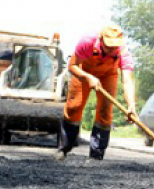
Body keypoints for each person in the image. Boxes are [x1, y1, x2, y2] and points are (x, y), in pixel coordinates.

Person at [55, 24, 137, 161]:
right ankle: (64, 148)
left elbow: (127, 80)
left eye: (114, 47)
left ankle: (96, 154)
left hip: (108, 75)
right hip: (83, 71)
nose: (111, 50)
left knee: (105, 111)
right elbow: (72, 66)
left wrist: (131, 105)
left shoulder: (123, 52)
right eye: (108, 46)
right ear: (101, 40)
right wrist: (88, 77)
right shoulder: (87, 42)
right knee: (74, 107)